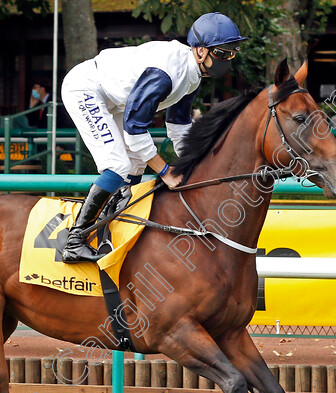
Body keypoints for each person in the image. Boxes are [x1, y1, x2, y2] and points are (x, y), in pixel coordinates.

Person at [60, 12, 247, 263]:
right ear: (201, 51)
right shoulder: (165, 73)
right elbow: (134, 129)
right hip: (86, 89)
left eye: (232, 53)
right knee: (117, 166)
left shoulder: (192, 75)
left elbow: (178, 127)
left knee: (136, 165)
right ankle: (74, 241)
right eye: (222, 53)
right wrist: (165, 171)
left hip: (114, 100)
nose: (227, 60)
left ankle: (113, 228)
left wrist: (199, 164)